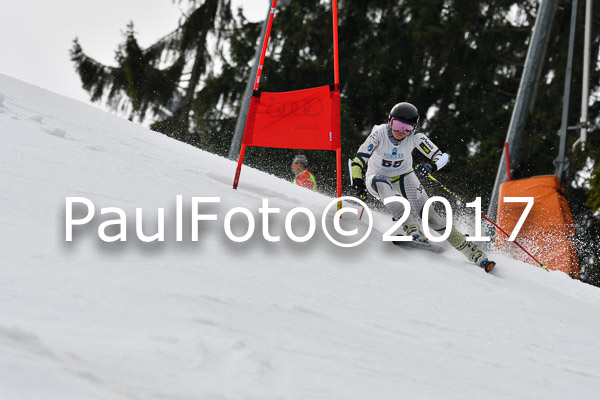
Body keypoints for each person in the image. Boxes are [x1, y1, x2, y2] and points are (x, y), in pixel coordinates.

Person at [350, 102, 495, 272]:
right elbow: (359, 159)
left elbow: (442, 157)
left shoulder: (416, 137)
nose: (400, 131)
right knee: (387, 191)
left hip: (404, 176)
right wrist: (358, 182)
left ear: (414, 128)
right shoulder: (378, 133)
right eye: (396, 125)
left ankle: (473, 252)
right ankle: (413, 230)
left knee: (432, 218)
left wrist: (431, 166)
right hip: (376, 179)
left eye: (407, 128)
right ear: (389, 121)